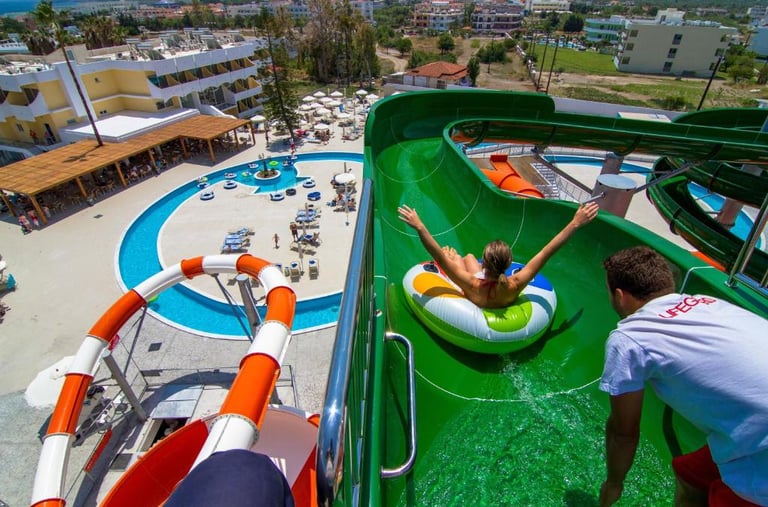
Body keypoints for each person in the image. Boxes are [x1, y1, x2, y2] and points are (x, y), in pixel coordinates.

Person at [598, 246, 768, 507]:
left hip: (761, 453)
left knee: (726, 497)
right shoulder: (708, 303)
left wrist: (613, 483)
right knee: (691, 475)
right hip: (757, 426)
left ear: (620, 296)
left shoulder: (630, 338)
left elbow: (624, 432)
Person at [397, 202, 598, 309]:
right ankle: (459, 257)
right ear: (509, 263)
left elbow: (437, 258)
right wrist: (575, 223)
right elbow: (547, 251)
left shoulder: (471, 283)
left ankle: (455, 257)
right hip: (493, 288)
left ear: (484, 262)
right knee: (468, 257)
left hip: (476, 290)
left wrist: (420, 226)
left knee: (454, 259)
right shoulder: (515, 284)